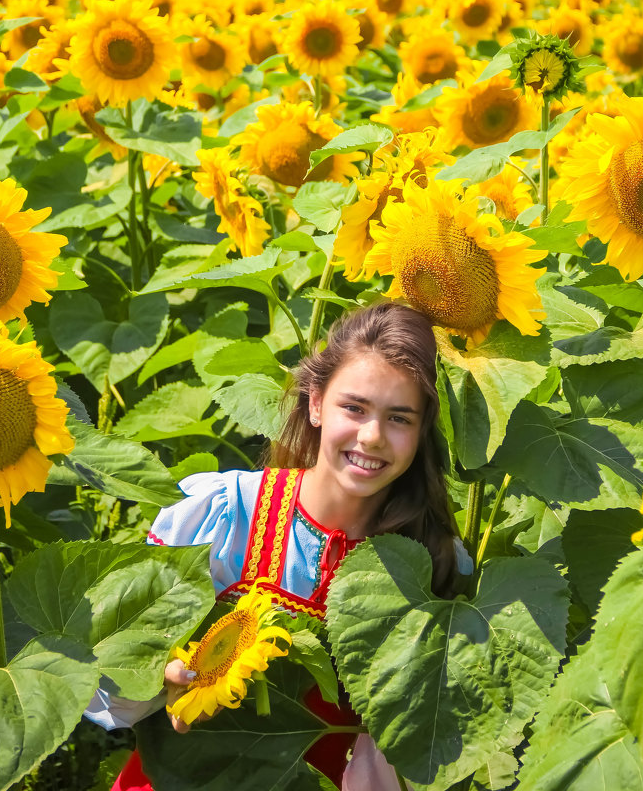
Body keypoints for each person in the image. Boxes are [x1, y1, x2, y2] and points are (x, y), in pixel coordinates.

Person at [86, 302, 471, 791]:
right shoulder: (228, 515)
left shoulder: (429, 559)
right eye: (353, 408)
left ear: (422, 434)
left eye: (400, 418)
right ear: (315, 404)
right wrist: (160, 677)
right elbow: (113, 670)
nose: (372, 437)